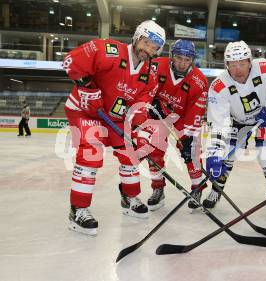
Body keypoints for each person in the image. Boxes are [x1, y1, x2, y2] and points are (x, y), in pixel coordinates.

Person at [62, 20, 166, 235]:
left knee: (131, 154)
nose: (148, 50)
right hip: (86, 111)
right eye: (146, 43)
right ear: (137, 37)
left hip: (117, 118)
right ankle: (78, 209)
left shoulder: (151, 71)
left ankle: (129, 198)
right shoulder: (107, 49)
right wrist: (87, 87)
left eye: (154, 48)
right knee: (90, 154)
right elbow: (70, 61)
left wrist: (138, 124)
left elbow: (143, 99)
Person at [204, 40, 266, 217]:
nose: (238, 69)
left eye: (242, 64)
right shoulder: (218, 86)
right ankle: (216, 190)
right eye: (233, 65)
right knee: (225, 157)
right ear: (226, 65)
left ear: (250, 62)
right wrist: (214, 154)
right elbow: (218, 124)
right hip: (238, 121)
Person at [138, 39, 209, 210]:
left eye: (187, 59)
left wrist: (188, 138)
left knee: (191, 153)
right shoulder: (156, 65)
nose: (182, 63)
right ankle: (158, 189)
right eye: (179, 58)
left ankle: (197, 188)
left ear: (192, 59)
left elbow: (196, 110)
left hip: (183, 117)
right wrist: (150, 102)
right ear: (172, 56)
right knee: (153, 150)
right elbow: (142, 86)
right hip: (158, 112)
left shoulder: (199, 81)